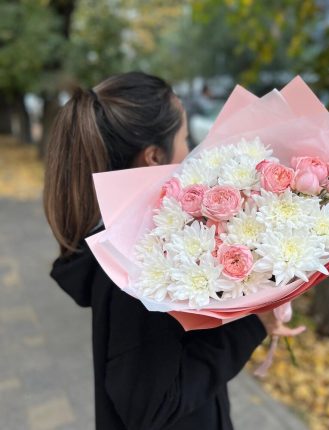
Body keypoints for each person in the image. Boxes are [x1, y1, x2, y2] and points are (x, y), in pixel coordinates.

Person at [43, 71, 294, 430]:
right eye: (184, 138)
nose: (191, 150)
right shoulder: (135, 267)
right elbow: (153, 406)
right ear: (153, 156)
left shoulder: (139, 245)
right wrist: (253, 324)